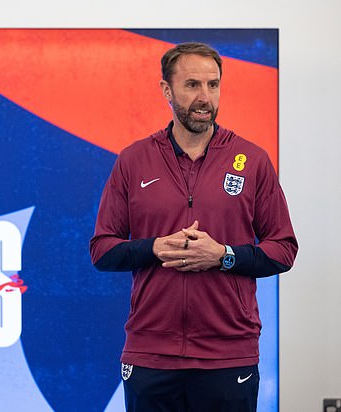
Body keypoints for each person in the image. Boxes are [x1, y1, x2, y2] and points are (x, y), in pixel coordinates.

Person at [89, 42, 298, 411]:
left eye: (213, 85)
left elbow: (283, 248)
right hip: (151, 355)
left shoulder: (252, 160)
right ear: (166, 90)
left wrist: (224, 256)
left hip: (228, 355)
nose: (205, 97)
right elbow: (102, 250)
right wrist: (153, 248)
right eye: (192, 85)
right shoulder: (133, 160)